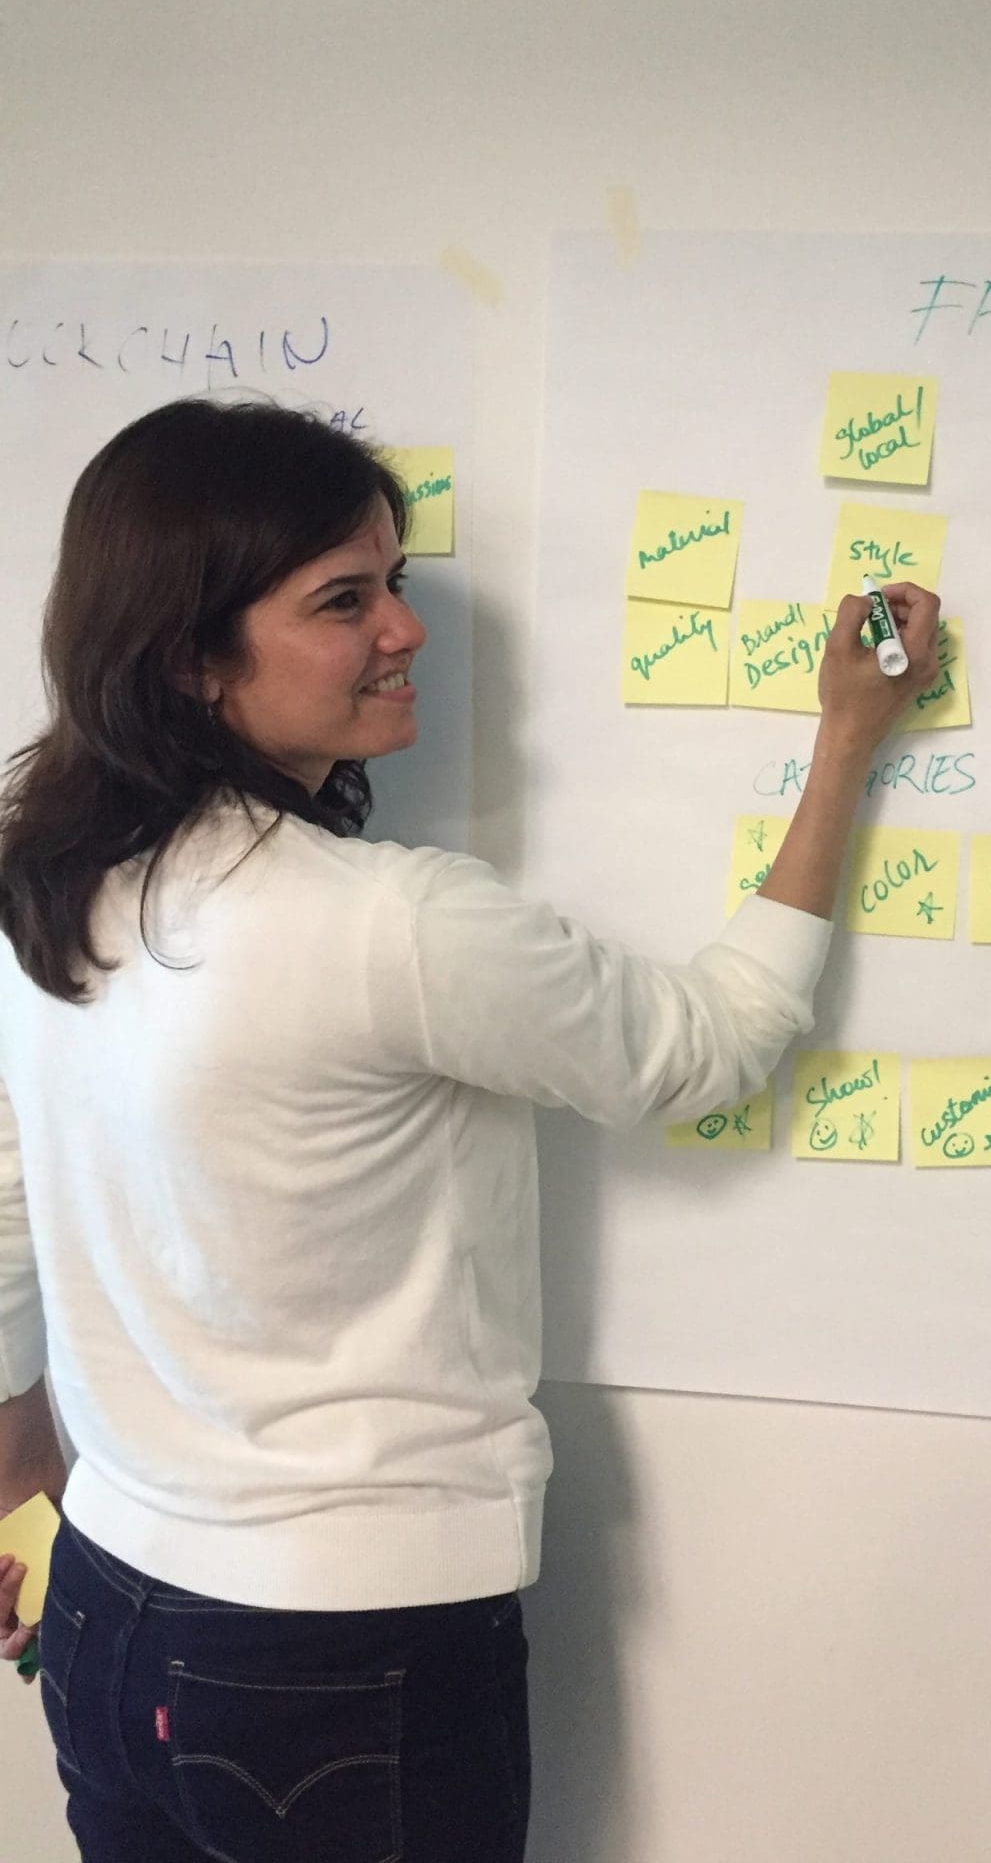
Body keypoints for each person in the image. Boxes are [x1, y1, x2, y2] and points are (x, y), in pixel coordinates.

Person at [0, 397, 939, 1862]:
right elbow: (709, 1047)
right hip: (334, 1652)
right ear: (191, 657)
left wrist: (12, 1448)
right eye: (343, 601)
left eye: (395, 582)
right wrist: (846, 739)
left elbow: (11, 1187)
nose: (405, 629)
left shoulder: (53, 876)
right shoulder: (391, 923)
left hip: (107, 1613)